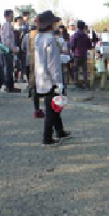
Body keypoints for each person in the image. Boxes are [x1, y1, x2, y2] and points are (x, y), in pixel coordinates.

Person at [35, 10, 71, 146]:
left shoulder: (39, 37)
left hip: (41, 77)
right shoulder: (51, 39)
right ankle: (47, 137)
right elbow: (53, 64)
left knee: (55, 105)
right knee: (52, 109)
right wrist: (57, 82)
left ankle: (60, 130)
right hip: (51, 80)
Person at [26, 17, 45, 118]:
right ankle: (47, 110)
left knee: (35, 86)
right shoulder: (43, 34)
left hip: (33, 61)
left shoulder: (30, 34)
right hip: (42, 62)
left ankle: (36, 109)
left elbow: (27, 47)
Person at [1, 9, 21, 93]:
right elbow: (7, 39)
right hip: (7, 50)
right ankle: (9, 86)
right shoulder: (7, 25)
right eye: (11, 15)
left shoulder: (7, 25)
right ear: (7, 16)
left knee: (9, 68)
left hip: (7, 49)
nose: (12, 17)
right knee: (9, 68)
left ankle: (9, 85)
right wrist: (13, 48)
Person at [70, 20, 92, 89]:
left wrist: (73, 50)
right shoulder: (86, 36)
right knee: (84, 70)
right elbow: (89, 45)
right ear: (83, 27)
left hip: (76, 54)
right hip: (84, 54)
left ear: (77, 26)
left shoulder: (75, 35)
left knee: (76, 70)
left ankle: (76, 84)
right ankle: (85, 83)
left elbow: (72, 45)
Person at [13, 16, 24, 83]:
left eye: (21, 20)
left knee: (21, 64)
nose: (21, 22)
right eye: (19, 20)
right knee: (16, 64)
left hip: (21, 48)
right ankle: (15, 77)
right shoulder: (13, 28)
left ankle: (21, 77)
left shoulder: (24, 28)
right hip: (15, 48)